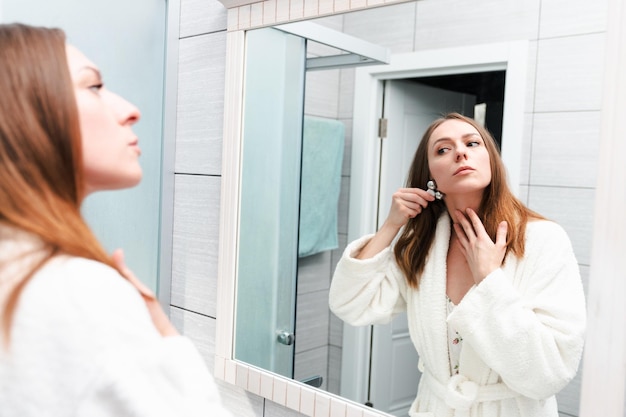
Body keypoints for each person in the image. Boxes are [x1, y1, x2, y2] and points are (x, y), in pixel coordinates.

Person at [0, 23, 231, 417]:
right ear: (26, 115)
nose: (131, 110)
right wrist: (166, 335)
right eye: (93, 87)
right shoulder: (77, 291)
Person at [329, 113, 586, 417]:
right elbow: (350, 304)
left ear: (491, 158)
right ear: (431, 177)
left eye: (472, 143)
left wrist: (489, 278)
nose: (461, 152)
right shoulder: (420, 245)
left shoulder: (543, 240)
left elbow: (552, 372)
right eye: (443, 149)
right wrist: (390, 227)